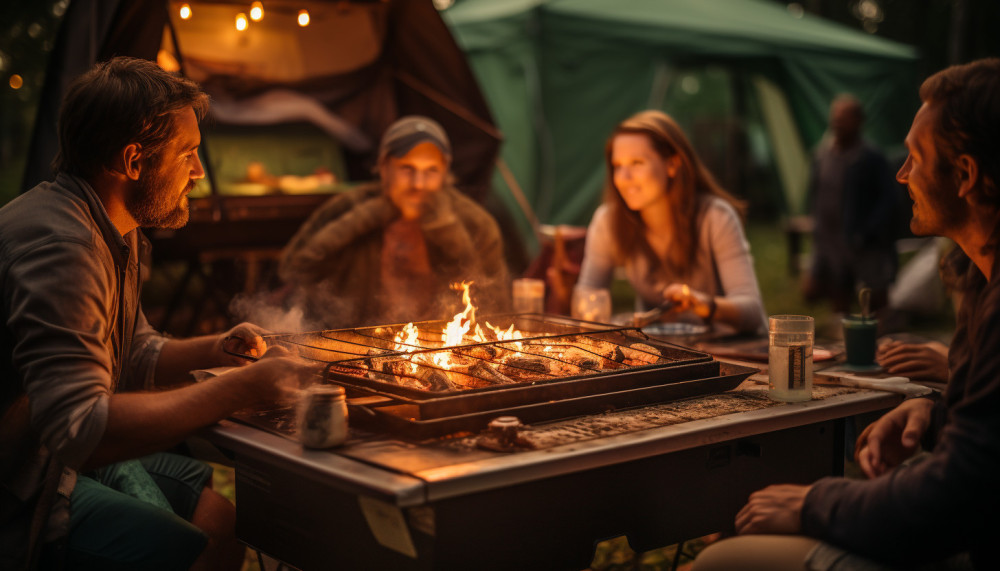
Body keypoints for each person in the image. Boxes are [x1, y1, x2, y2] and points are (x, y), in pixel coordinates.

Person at [0, 57, 317, 570]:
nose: (198, 172)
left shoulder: (114, 227)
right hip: (22, 481)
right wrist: (246, 386)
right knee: (177, 545)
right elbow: (82, 427)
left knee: (220, 517)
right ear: (133, 161)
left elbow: (136, 349)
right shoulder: (62, 247)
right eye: (187, 154)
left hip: (53, 453)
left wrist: (218, 348)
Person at [691, 58, 1000, 571]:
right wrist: (934, 416)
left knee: (722, 563)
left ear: (965, 174)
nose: (904, 174)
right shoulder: (981, 281)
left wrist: (815, 502)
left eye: (916, 159)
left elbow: (957, 498)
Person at [278, 115, 510, 328]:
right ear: (383, 167)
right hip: (355, 347)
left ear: (445, 171)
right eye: (407, 168)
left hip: (442, 354)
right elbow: (293, 270)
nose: (418, 183)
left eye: (431, 171)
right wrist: (368, 216)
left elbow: (495, 304)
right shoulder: (347, 208)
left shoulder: (475, 223)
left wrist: (446, 229)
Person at [572, 109, 766, 334]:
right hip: (658, 353)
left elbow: (752, 312)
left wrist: (705, 305)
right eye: (617, 166)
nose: (623, 179)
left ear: (672, 164)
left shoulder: (715, 217)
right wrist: (569, 293)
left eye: (636, 163)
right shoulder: (609, 221)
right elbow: (587, 297)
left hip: (728, 350)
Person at [803, 94, 899, 315]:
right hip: (830, 240)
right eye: (835, 117)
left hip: (862, 242)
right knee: (836, 293)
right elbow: (815, 192)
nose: (837, 122)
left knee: (875, 296)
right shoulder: (822, 154)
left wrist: (867, 231)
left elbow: (889, 199)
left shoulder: (870, 157)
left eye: (843, 118)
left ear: (858, 121)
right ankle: (843, 338)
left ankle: (883, 336)